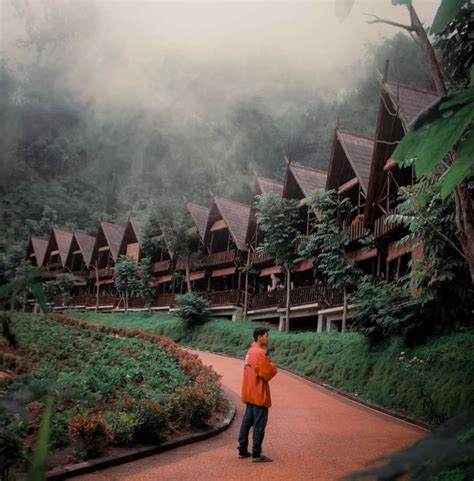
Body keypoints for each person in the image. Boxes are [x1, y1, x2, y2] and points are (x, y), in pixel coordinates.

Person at [237, 327, 278, 462]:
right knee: (259, 425)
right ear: (260, 337)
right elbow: (267, 373)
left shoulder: (250, 351)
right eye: (266, 336)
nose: (268, 339)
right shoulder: (260, 353)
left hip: (249, 392)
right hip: (258, 394)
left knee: (246, 423)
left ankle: (242, 450)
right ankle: (256, 454)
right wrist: (273, 366)